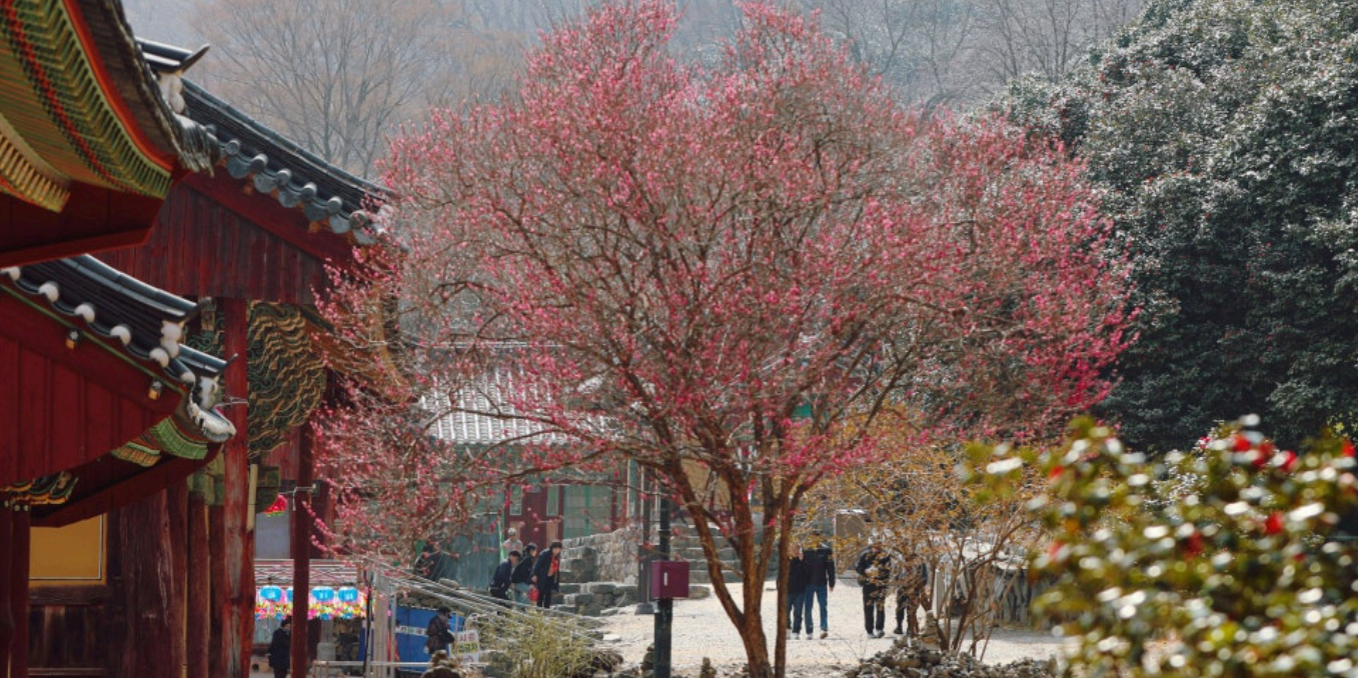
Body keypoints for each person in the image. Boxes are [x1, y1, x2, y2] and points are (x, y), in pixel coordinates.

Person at [801, 532, 835, 639]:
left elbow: (830, 567)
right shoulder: (806, 551)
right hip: (808, 584)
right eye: (812, 537)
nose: (814, 539)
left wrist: (832, 582)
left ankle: (823, 628)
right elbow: (801, 568)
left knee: (823, 606)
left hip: (821, 583)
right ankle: (809, 631)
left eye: (816, 537)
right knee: (808, 608)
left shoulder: (826, 551)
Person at [855, 541, 892, 638]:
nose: (877, 547)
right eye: (875, 545)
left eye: (879, 545)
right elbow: (858, 567)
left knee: (880, 607)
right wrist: (865, 571)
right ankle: (869, 631)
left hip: (880, 585)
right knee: (868, 608)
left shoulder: (885, 555)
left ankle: (879, 629)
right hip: (868, 584)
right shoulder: (865, 555)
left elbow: (888, 570)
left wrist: (880, 572)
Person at [894, 553, 929, 637]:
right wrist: (898, 581)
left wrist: (918, 585)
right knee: (900, 608)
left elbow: (924, 577)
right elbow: (896, 574)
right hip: (902, 587)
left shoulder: (919, 561)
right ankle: (899, 626)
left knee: (912, 609)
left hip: (914, 588)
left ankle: (910, 628)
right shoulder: (900, 560)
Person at [786, 544, 810, 639]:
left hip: (799, 591)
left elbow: (807, 573)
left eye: (796, 549)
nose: (794, 551)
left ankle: (796, 631)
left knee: (798, 612)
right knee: (786, 612)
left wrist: (802, 561)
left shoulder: (802, 561)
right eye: (792, 549)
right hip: (787, 590)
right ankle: (787, 628)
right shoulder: (786, 560)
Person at [531, 541, 563, 609]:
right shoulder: (545, 553)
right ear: (552, 548)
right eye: (555, 549)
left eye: (558, 549)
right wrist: (535, 574)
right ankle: (539, 610)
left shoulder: (557, 556)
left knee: (548, 594)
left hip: (551, 576)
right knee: (541, 593)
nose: (557, 551)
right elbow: (537, 565)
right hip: (542, 576)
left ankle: (546, 610)